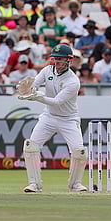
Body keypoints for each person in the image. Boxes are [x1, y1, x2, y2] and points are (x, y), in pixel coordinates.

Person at [17, 44, 87, 193]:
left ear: (69, 60)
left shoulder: (73, 81)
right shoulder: (47, 70)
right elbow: (34, 84)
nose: (57, 62)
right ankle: (34, 184)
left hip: (69, 119)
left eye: (61, 59)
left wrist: (37, 97)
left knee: (79, 151)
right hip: (49, 116)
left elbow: (56, 101)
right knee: (31, 146)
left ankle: (75, 184)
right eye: (55, 59)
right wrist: (29, 89)